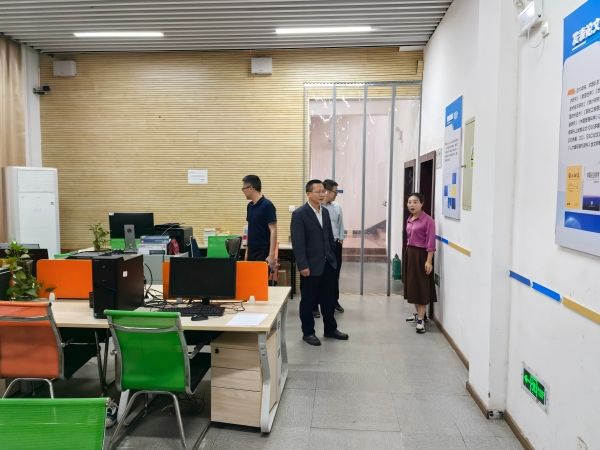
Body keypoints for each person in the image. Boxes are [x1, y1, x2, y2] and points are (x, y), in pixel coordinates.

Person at [291, 179, 349, 346]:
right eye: (318, 191)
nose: (322, 194)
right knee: (308, 301)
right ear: (309, 194)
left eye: (324, 191)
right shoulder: (300, 214)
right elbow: (298, 243)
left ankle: (330, 329)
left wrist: (332, 256)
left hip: (328, 263)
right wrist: (303, 265)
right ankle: (308, 332)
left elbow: (329, 237)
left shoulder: (324, 212)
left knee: (328, 299)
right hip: (310, 266)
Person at [403, 192, 437, 334]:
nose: (411, 205)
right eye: (409, 202)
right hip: (410, 254)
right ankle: (419, 314)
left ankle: (421, 320)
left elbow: (431, 243)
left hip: (421, 255)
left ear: (422, 204)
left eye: (415, 202)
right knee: (413, 285)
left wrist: (429, 261)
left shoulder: (428, 221)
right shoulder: (410, 219)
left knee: (421, 287)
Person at [320, 179, 345, 315]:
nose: (336, 195)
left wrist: (340, 240)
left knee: (335, 274)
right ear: (327, 192)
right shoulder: (318, 207)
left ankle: (334, 301)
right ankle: (315, 305)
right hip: (321, 246)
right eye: (335, 192)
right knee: (319, 274)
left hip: (335, 245)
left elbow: (340, 224)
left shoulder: (337, 207)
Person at [242, 175, 277, 269]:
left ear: (251, 188)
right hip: (251, 252)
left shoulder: (267, 205)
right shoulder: (249, 206)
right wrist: (247, 252)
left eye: (243, 188)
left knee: (260, 278)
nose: (243, 191)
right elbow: (250, 229)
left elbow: (273, 230)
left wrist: (271, 255)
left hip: (263, 252)